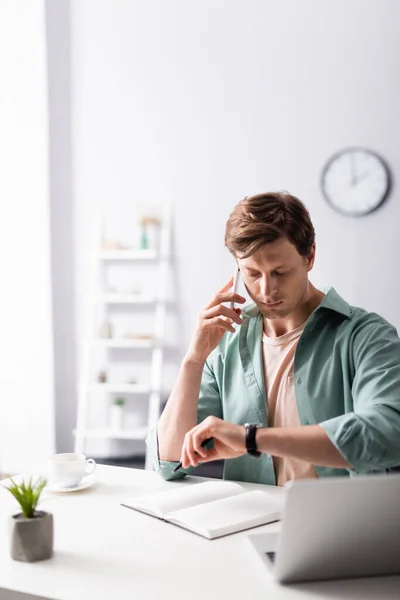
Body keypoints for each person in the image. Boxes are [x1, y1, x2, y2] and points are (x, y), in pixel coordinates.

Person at [146, 191, 400, 485]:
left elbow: (388, 432)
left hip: (343, 524)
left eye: (280, 272)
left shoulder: (366, 336)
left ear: (310, 256)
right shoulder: (226, 343)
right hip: (248, 522)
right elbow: (168, 462)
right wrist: (193, 359)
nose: (267, 290)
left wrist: (252, 439)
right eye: (252, 273)